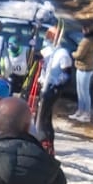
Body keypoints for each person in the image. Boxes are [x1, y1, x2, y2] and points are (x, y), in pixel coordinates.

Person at [35, 26, 73, 155]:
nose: (46, 39)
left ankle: (45, 144)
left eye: (49, 36)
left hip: (52, 89)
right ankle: (44, 142)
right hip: (43, 86)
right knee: (42, 117)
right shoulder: (47, 50)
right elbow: (37, 57)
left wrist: (56, 84)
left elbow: (67, 74)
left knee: (42, 118)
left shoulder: (62, 53)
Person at [71, 22, 93, 122]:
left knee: (83, 91)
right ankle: (80, 111)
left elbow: (79, 55)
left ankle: (86, 113)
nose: (82, 30)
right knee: (82, 91)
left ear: (87, 30)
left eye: (83, 29)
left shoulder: (86, 41)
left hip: (83, 68)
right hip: (87, 68)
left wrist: (72, 54)